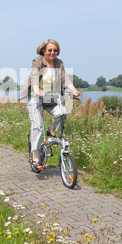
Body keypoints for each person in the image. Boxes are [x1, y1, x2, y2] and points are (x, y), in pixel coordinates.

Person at [19, 39, 82, 172]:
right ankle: (35, 156)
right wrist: (37, 90)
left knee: (62, 113)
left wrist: (74, 90)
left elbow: (65, 79)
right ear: (44, 51)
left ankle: (51, 129)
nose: (53, 53)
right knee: (37, 126)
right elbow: (35, 76)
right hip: (35, 96)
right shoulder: (37, 61)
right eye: (50, 50)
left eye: (55, 50)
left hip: (51, 96)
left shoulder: (59, 63)